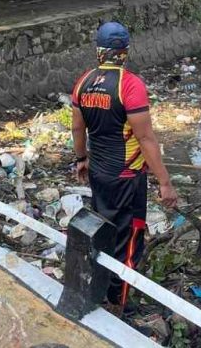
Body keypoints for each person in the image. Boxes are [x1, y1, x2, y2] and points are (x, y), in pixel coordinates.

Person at [71, 22, 178, 310]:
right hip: (127, 175)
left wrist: (81, 159)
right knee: (129, 239)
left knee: (103, 230)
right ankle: (118, 299)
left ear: (99, 51)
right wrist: (165, 182)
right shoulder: (130, 85)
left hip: (99, 173)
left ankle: (101, 286)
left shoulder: (83, 82)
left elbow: (78, 129)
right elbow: (145, 138)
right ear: (125, 52)